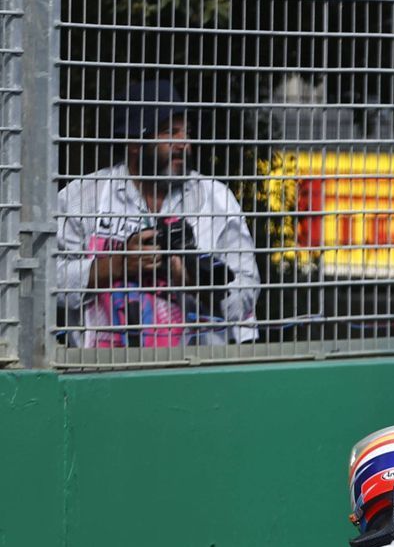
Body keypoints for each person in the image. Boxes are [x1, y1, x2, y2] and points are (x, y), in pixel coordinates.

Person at [54, 79, 260, 348]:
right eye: (169, 132)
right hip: (102, 374)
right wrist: (116, 265)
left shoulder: (216, 200)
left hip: (196, 371)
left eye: (185, 132)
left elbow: (247, 289)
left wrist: (192, 281)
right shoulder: (84, 197)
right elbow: (48, 283)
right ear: (134, 142)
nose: (183, 143)